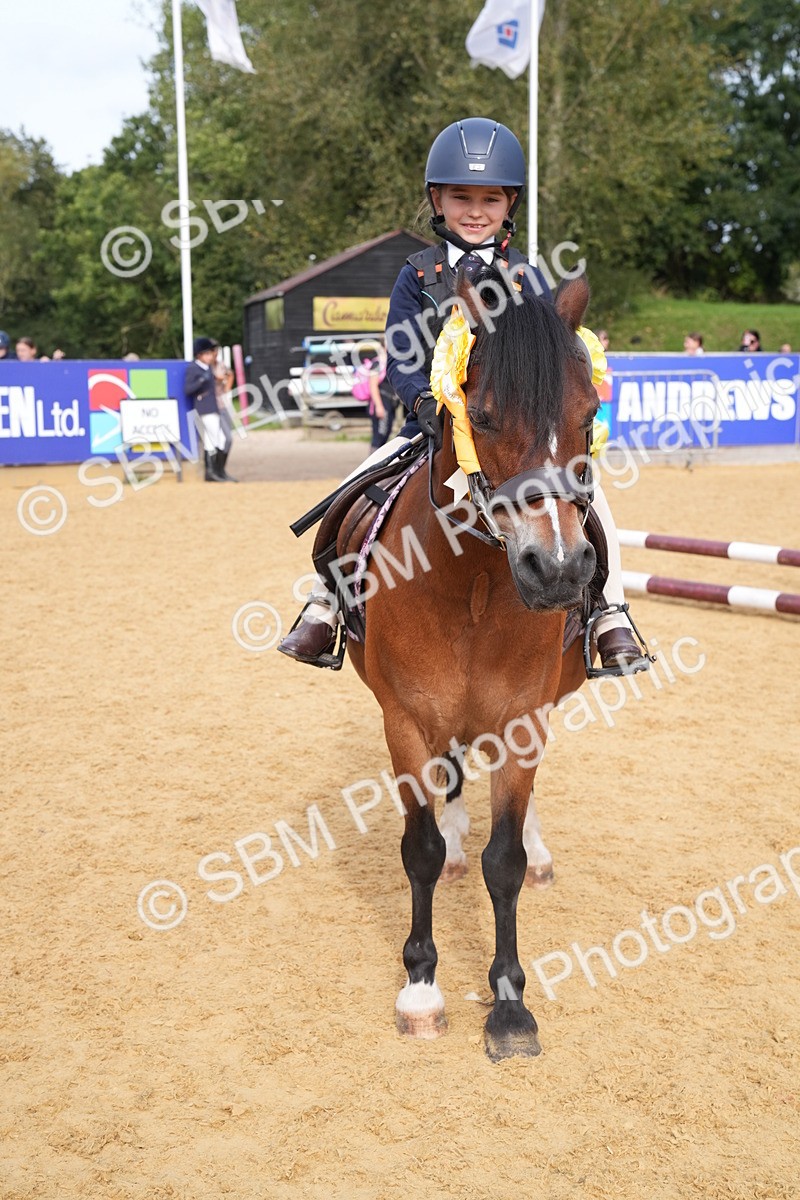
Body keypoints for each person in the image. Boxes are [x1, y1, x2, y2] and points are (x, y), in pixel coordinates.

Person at [278, 117, 648, 676]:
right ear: (438, 200)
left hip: (513, 435)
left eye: (489, 199)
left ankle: (609, 616)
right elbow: (402, 354)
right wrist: (426, 407)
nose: (475, 211)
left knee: (595, 508)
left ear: (509, 205)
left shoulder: (526, 276)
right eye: (461, 197)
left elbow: (551, 355)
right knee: (349, 497)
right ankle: (326, 603)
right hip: (430, 426)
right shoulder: (417, 275)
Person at [184, 336, 235, 482]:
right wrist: (202, 380)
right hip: (204, 407)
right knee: (218, 439)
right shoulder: (194, 368)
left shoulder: (207, 368)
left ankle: (216, 472)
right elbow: (188, 389)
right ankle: (214, 472)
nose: (210, 356)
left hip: (213, 407)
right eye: (207, 354)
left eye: (210, 354)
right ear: (199, 355)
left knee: (212, 440)